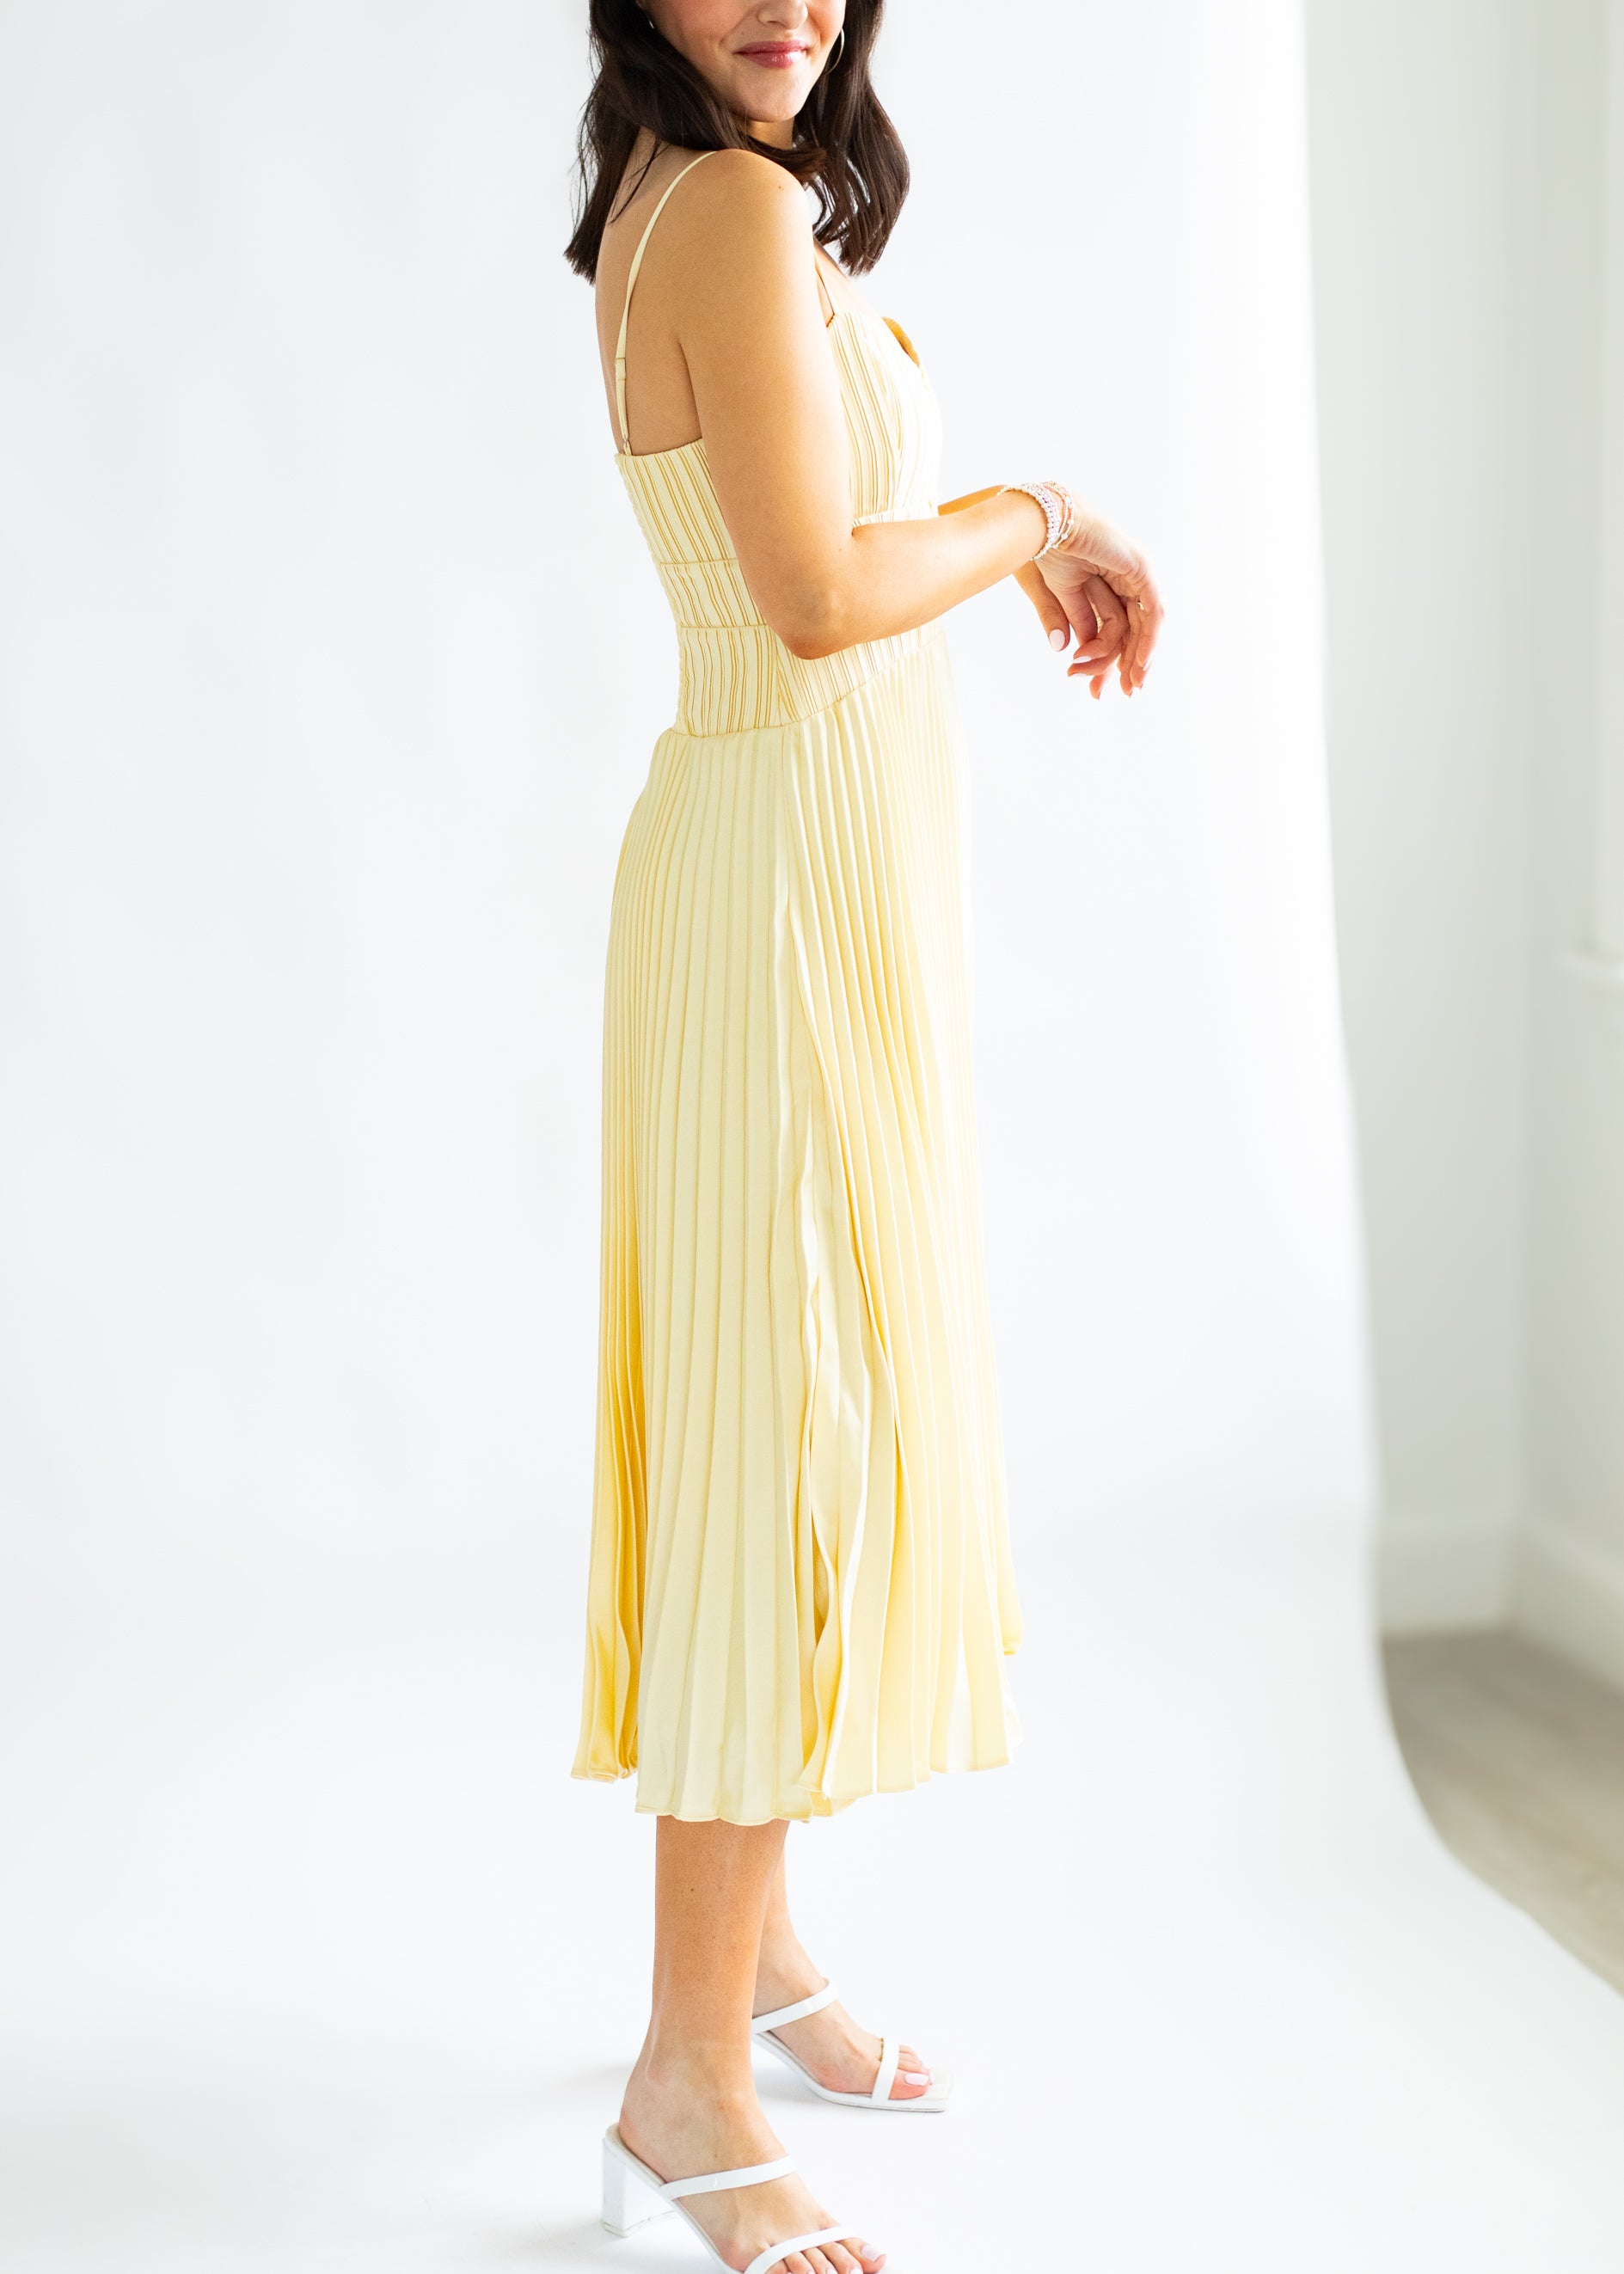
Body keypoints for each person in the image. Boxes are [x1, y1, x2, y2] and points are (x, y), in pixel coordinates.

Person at [565, 6, 1162, 2269]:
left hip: (793, 866)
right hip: (780, 885)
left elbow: (805, 565)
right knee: (780, 1449)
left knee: (789, 1420)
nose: (791, 3)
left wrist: (1007, 533)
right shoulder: (724, 205)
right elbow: (813, 600)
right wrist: (1035, 514)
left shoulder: (694, 195)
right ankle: (685, 2074)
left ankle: (761, 1958)